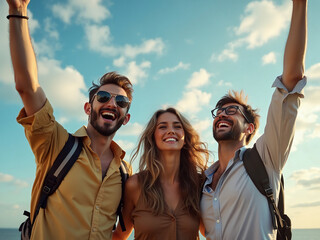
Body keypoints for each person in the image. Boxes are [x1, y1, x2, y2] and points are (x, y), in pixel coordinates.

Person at [6, 0, 133, 239]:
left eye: (121, 102)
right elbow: (27, 87)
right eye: (103, 96)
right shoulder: (55, 144)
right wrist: (18, 10)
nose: (112, 103)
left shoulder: (126, 171)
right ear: (88, 107)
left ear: (125, 118)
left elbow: (120, 231)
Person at [200, 0, 308, 239]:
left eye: (232, 110)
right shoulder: (203, 182)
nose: (222, 114)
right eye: (218, 111)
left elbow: (291, 79)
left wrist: (299, 5)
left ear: (249, 127)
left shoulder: (266, 157)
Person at [112, 108, 209, 240]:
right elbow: (119, 235)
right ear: (153, 137)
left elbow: (211, 232)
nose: (170, 131)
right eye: (162, 127)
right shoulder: (135, 185)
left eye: (177, 126)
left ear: (185, 138)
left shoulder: (199, 184)